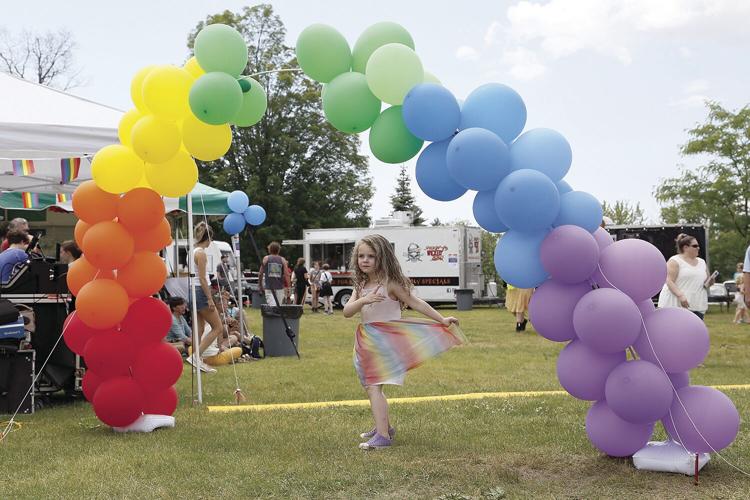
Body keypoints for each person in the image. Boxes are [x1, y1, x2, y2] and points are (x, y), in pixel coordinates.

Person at [342, 234, 466, 450]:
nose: (365, 260)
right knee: (368, 385)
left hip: (385, 340)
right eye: (361, 256)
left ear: (383, 258)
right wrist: (363, 299)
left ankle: (382, 436)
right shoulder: (361, 285)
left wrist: (442, 319)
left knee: (373, 386)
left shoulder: (390, 284)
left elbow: (415, 302)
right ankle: (384, 427)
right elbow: (347, 312)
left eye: (371, 256)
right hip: (366, 339)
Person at [189, 222, 225, 373]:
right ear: (208, 238)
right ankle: (196, 357)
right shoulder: (201, 253)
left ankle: (197, 360)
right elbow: (203, 279)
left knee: (200, 328)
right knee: (218, 327)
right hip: (201, 292)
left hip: (192, 291)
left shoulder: (193, 251)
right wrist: (210, 298)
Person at [657, 233, 714, 320]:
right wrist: (681, 296)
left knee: (695, 332)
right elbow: (669, 280)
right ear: (685, 247)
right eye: (695, 246)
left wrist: (710, 282)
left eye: (698, 246)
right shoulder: (675, 261)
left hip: (697, 304)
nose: (698, 248)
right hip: (675, 304)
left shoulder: (702, 262)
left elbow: (706, 282)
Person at [258, 241, 288, 306]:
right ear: (278, 250)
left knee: (273, 307)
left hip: (269, 287)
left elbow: (260, 273)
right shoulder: (282, 260)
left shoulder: (266, 258)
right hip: (279, 287)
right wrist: (289, 287)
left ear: (269, 249)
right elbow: (286, 274)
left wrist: (260, 285)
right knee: (278, 307)